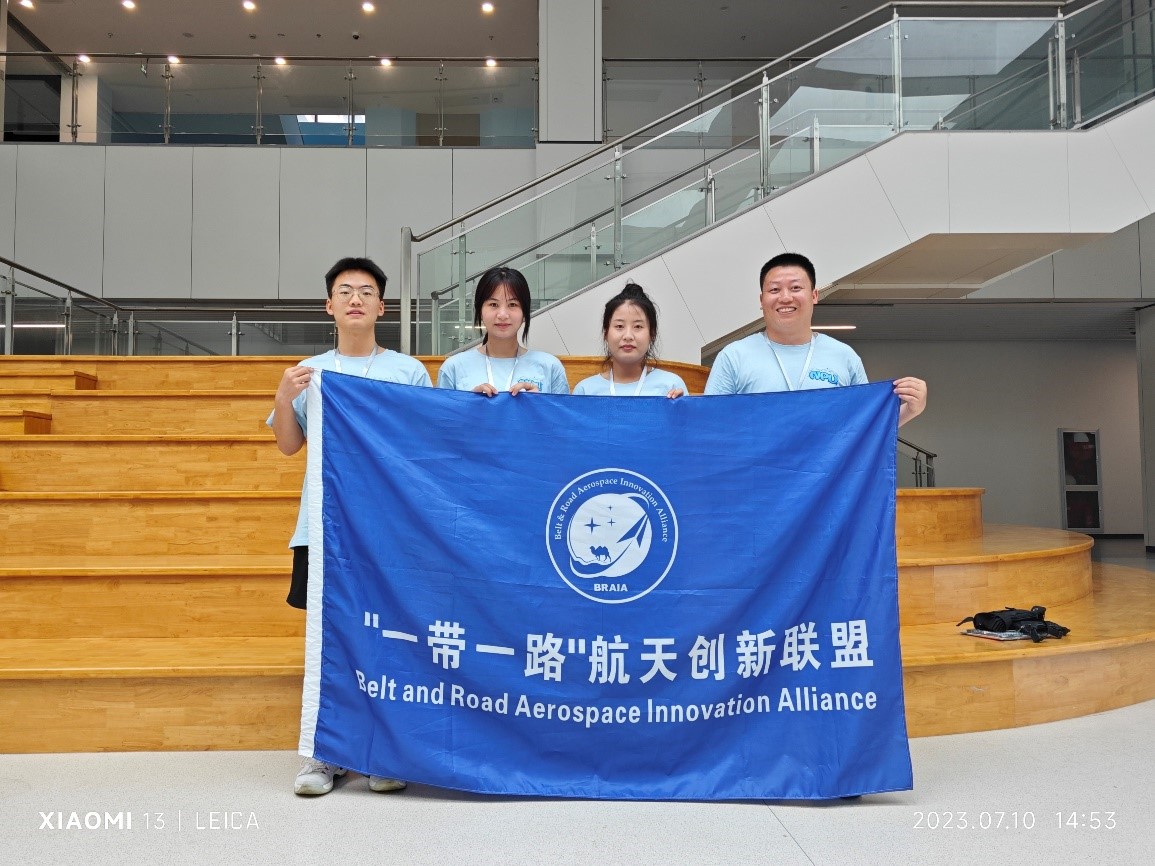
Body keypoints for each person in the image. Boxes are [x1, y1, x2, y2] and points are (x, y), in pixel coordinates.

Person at [268, 256, 431, 797]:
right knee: (330, 642)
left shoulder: (408, 372)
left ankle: (383, 752)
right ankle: (325, 755)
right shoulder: (310, 372)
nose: (355, 299)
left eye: (366, 291)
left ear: (382, 307)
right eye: (345, 291)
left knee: (387, 639)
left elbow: (423, 446)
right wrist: (284, 397)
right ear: (329, 305)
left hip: (389, 532)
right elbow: (288, 445)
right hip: (324, 529)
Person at [704, 252, 927, 426]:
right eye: (774, 290)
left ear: (814, 295)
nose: (785, 297)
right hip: (757, 473)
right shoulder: (734, 356)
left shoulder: (844, 357)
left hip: (829, 475)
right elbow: (708, 426)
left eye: (795, 288)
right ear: (761, 300)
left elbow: (864, 429)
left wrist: (910, 410)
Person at [437, 266, 570, 395]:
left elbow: (562, 411)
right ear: (480, 310)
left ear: (524, 312)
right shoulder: (453, 368)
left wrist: (540, 404)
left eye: (512, 304)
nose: (502, 315)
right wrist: (468, 403)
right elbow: (442, 411)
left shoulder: (550, 367)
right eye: (493, 304)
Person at [573, 282, 687, 398]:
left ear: (652, 334)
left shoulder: (671, 387)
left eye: (638, 326)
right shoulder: (585, 392)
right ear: (605, 333)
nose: (628, 336)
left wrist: (682, 406)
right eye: (619, 326)